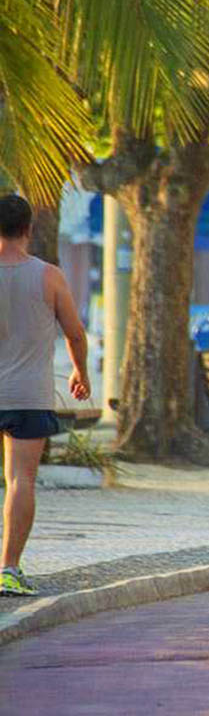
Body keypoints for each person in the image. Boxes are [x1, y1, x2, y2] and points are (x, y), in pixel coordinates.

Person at [0, 193, 90, 597]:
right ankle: (8, 569)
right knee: (21, 480)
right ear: (29, 229)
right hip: (28, 395)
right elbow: (74, 332)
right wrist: (80, 371)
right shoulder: (49, 276)